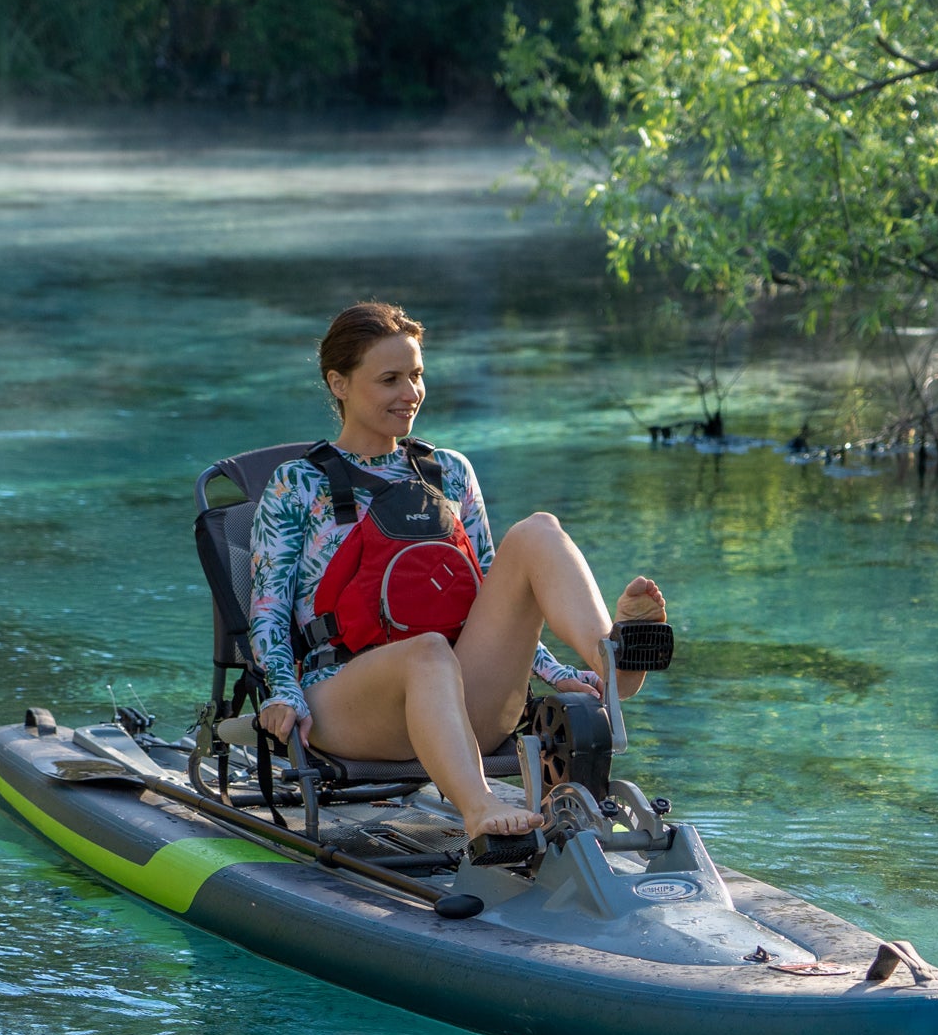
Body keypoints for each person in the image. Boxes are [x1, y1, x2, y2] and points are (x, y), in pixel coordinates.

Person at [249, 302, 666, 843]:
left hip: (459, 697)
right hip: (345, 701)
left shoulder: (450, 472)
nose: (411, 393)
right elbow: (268, 614)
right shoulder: (296, 485)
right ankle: (479, 807)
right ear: (340, 383)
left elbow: (494, 597)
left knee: (537, 530)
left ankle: (609, 661)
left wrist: (556, 675)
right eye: (390, 379)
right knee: (428, 651)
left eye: (417, 375)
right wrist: (282, 692)